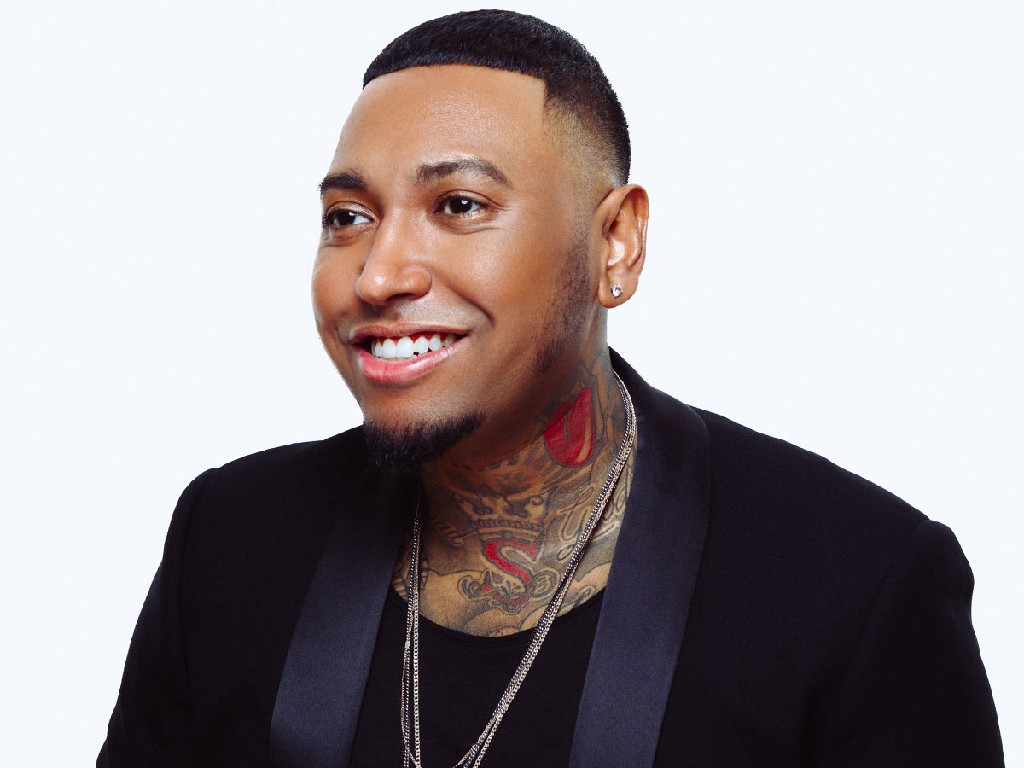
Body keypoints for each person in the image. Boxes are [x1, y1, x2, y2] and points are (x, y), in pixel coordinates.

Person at [97, 9, 1003, 767]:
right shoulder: (232, 537)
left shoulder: (855, 581)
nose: (376, 274)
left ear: (616, 245)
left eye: (459, 205)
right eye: (348, 216)